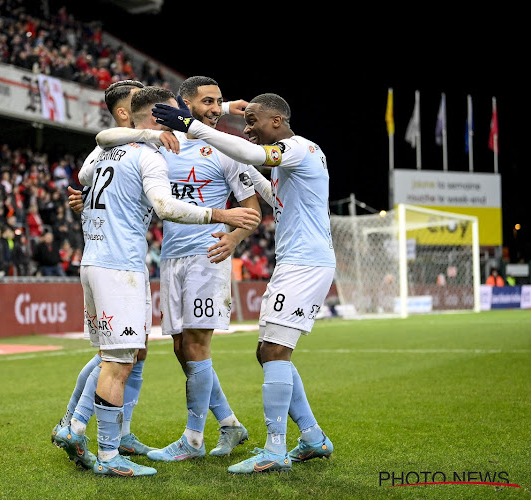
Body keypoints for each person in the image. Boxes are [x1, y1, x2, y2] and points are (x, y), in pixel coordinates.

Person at [67, 86, 260, 477]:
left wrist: (232, 237)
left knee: (191, 345)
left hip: (208, 253)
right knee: (177, 348)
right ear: (178, 109)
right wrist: (86, 198)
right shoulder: (157, 145)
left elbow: (251, 208)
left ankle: (192, 437)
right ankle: (229, 424)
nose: (214, 110)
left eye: (217, 103)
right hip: (167, 257)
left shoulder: (222, 147)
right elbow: (106, 142)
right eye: (206, 102)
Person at [153, 92, 336, 473]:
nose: (248, 128)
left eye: (253, 121)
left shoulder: (297, 148)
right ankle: (313, 437)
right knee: (269, 351)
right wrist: (228, 139)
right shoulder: (292, 162)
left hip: (305, 264)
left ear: (275, 121)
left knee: (272, 352)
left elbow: (254, 156)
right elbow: (270, 193)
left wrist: (193, 127)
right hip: (296, 263)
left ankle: (274, 450)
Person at [52, 80, 160, 470]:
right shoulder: (122, 147)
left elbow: (84, 177)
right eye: (141, 104)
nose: (152, 110)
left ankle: (88, 427)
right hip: (118, 263)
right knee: (116, 356)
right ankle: (85, 431)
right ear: (125, 114)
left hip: (107, 258)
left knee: (132, 350)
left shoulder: (109, 152)